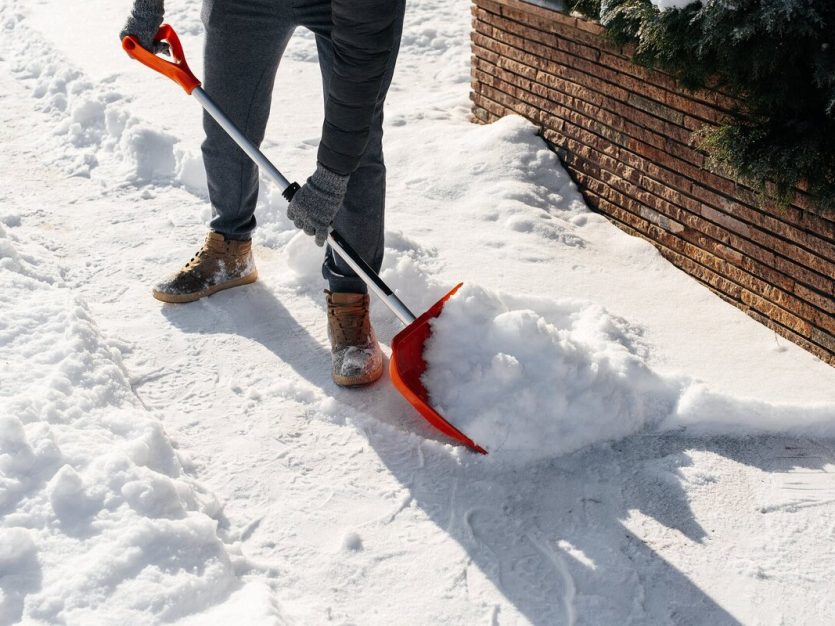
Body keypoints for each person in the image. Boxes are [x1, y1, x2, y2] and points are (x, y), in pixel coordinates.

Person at [120, 0, 406, 387]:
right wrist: (147, 6)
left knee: (360, 147)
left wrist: (331, 176)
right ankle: (230, 246)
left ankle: (349, 294)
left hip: (350, 13)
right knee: (227, 120)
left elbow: (361, 63)